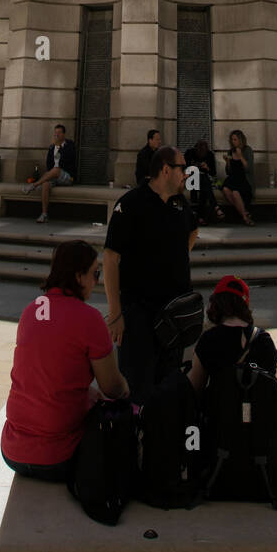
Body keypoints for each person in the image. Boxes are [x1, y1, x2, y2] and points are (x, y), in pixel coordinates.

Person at [1, 240, 128, 482]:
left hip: (12, 452)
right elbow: (112, 387)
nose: (97, 281)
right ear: (79, 277)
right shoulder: (89, 318)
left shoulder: (32, 310)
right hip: (60, 457)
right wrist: (126, 388)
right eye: (95, 274)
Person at [103, 144, 200, 404]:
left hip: (174, 315)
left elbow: (193, 230)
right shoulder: (132, 203)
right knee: (137, 388)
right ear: (165, 170)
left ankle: (161, 441)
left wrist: (176, 257)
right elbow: (111, 258)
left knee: (168, 387)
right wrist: (115, 313)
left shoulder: (180, 204)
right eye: (182, 168)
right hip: (139, 315)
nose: (187, 175)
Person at [188, 275, 277, 397]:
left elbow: (194, 388)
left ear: (215, 304)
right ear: (245, 306)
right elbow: (274, 388)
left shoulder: (209, 339)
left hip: (220, 415)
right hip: (259, 415)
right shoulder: (264, 340)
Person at [32, 124, 77, 223]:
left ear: (64, 134)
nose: (57, 135)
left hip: (67, 176)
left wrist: (59, 147)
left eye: (59, 133)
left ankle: (35, 184)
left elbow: (66, 162)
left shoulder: (69, 145)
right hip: (53, 176)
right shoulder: (52, 147)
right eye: (55, 133)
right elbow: (48, 164)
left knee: (56, 170)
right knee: (45, 184)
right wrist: (55, 147)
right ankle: (44, 214)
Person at [221, 130, 256, 226]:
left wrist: (240, 157)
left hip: (244, 180)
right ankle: (245, 214)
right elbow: (228, 172)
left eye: (235, 139)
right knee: (225, 189)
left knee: (235, 192)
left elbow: (249, 169)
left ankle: (244, 217)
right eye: (232, 139)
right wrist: (227, 162)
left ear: (240, 140)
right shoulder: (230, 151)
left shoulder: (247, 150)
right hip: (233, 178)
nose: (233, 142)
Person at [184, 138, 223, 223]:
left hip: (204, 180)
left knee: (204, 184)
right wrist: (194, 166)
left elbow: (213, 173)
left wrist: (207, 167)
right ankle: (215, 207)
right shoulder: (190, 153)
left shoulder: (210, 155)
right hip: (191, 179)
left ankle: (200, 218)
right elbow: (184, 167)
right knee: (203, 180)